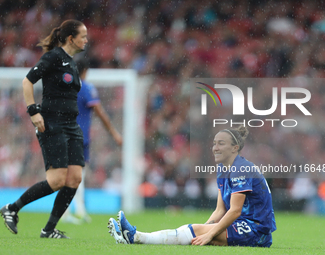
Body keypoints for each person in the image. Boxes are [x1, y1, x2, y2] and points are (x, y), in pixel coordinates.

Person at [108, 126, 277, 247]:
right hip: (241, 225)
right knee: (196, 229)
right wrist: (205, 229)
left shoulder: (241, 169)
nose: (215, 148)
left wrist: (208, 233)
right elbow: (220, 210)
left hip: (256, 231)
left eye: (221, 144)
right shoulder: (223, 168)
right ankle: (134, 237)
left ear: (235, 148)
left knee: (197, 230)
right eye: (215, 143)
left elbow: (234, 210)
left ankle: (135, 237)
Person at [0, 20, 88, 239]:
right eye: (83, 36)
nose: (86, 40)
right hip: (53, 123)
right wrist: (33, 111)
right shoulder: (53, 57)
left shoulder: (71, 62)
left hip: (71, 125)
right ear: (71, 38)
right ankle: (12, 207)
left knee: (75, 178)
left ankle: (48, 229)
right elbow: (27, 82)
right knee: (57, 180)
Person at [61, 58, 122, 224]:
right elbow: (100, 113)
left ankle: (75, 211)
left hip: (65, 135)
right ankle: (72, 212)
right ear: (85, 70)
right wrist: (114, 133)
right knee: (76, 174)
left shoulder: (65, 88)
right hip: (79, 137)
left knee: (72, 173)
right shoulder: (86, 88)